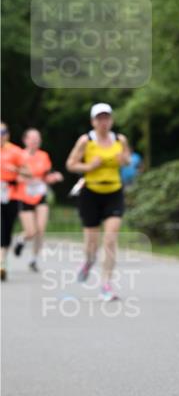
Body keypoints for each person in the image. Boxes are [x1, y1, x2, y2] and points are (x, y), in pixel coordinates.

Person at [65, 103, 131, 301]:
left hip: (114, 192)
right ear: (93, 121)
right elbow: (70, 164)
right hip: (90, 193)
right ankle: (88, 262)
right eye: (99, 118)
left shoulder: (120, 139)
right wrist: (88, 166)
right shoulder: (86, 140)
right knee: (92, 244)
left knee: (110, 239)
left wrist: (124, 160)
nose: (104, 122)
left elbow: (128, 159)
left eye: (107, 118)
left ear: (111, 120)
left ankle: (106, 285)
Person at [13, 128, 63, 272]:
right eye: (32, 138)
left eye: (37, 138)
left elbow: (46, 177)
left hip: (40, 195)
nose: (35, 141)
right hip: (24, 196)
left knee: (41, 230)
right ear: (25, 140)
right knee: (31, 232)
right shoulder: (19, 156)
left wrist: (54, 178)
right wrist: (24, 178)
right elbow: (12, 176)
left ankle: (34, 260)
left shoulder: (44, 156)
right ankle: (21, 239)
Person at [0, 123, 27, 281]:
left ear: (8, 134)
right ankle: (1, 262)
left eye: (3, 133)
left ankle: (3, 261)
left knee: (7, 227)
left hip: (11, 193)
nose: (1, 136)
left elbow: (28, 172)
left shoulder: (16, 151)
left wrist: (16, 170)